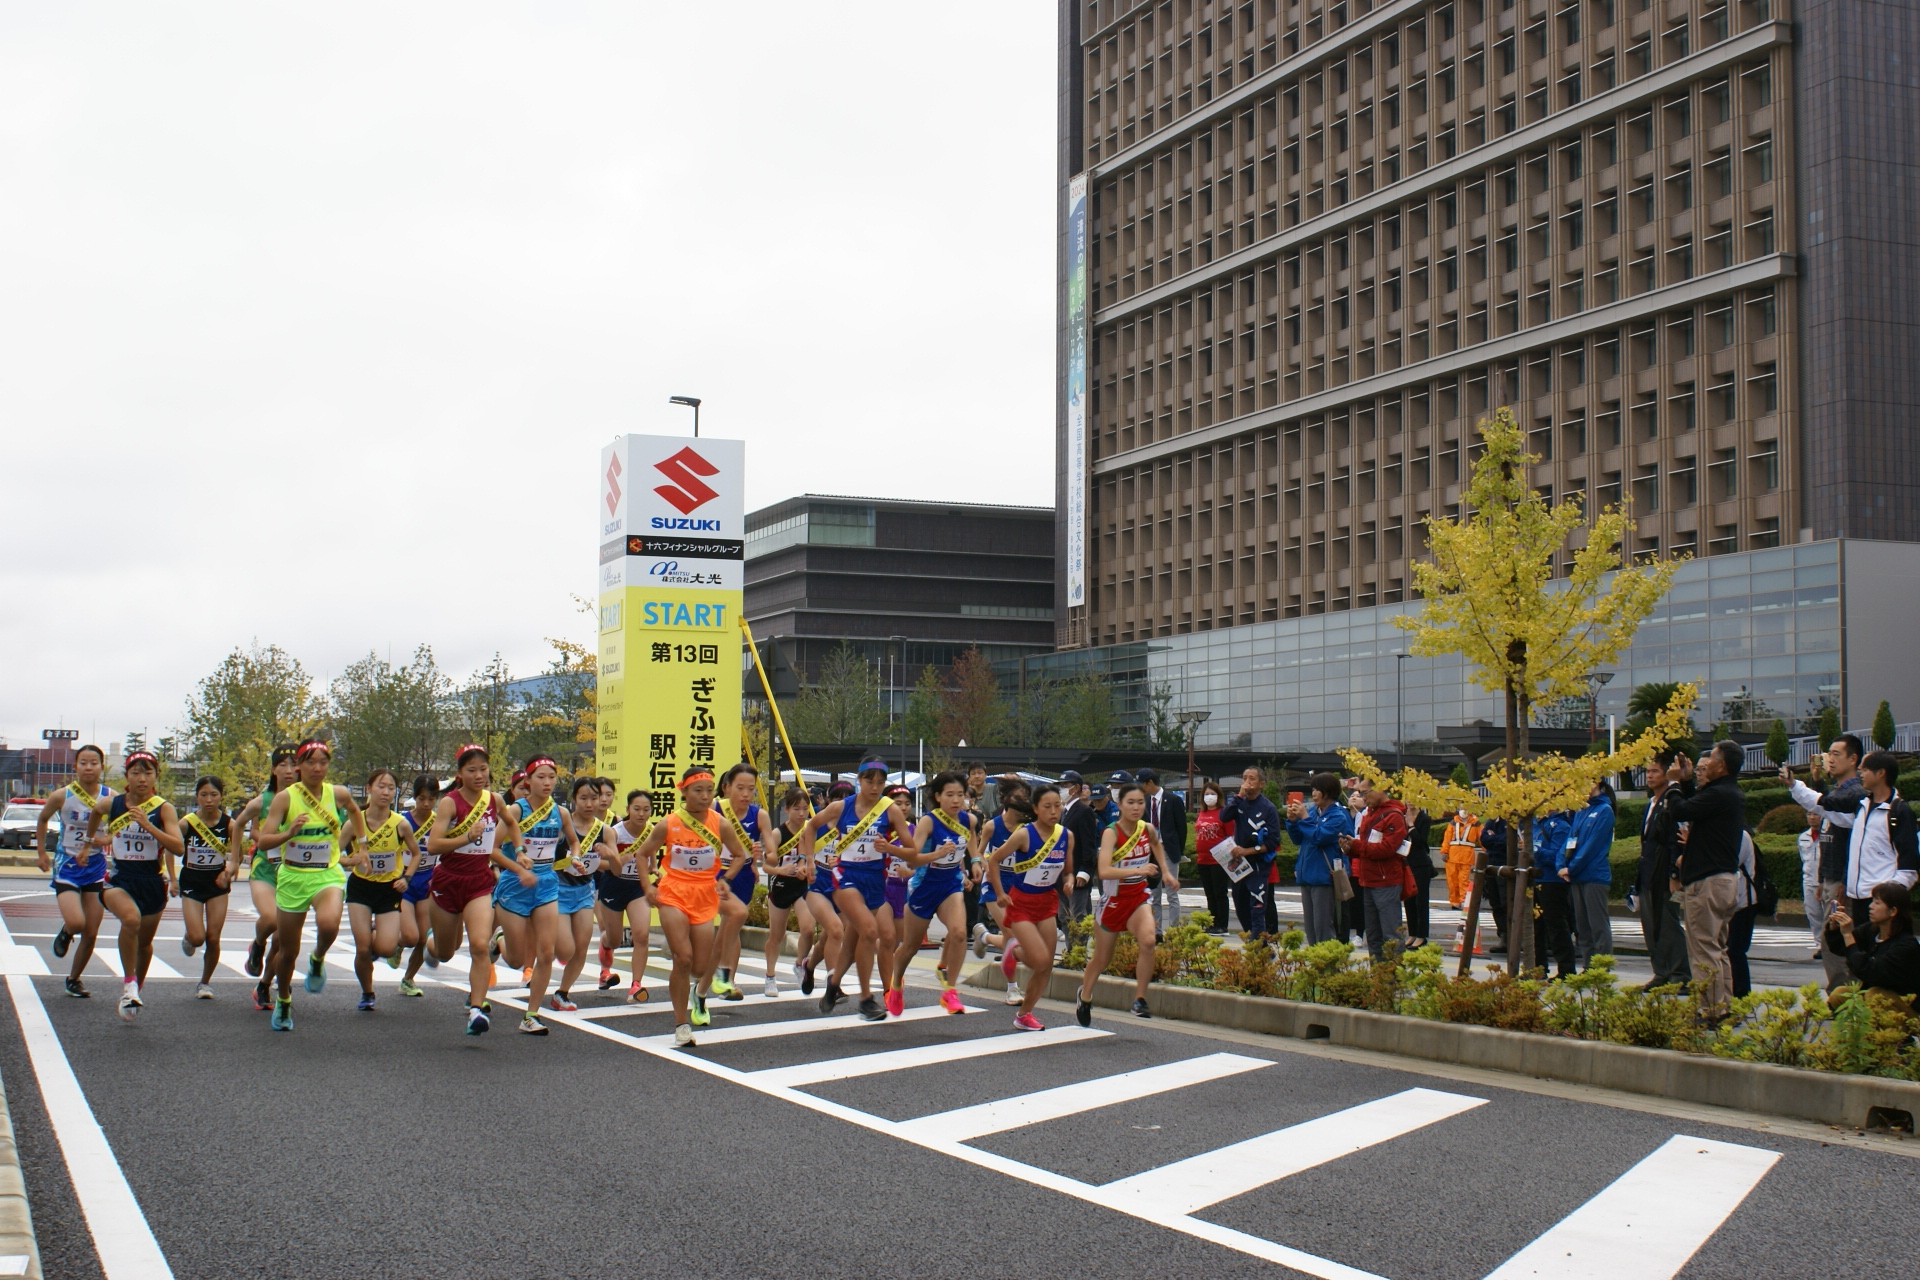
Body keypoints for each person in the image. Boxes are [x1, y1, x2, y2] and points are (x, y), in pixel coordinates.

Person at [624, 765, 754, 1048]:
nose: (705, 796)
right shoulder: (668, 823)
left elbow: (740, 856)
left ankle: (698, 988)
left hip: (705, 893)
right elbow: (642, 854)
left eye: (709, 790)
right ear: (684, 792)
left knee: (697, 966)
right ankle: (681, 1022)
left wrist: (726, 879)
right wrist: (647, 887)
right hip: (673, 892)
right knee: (682, 958)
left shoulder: (720, 823)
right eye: (698, 791)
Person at [255, 740, 367, 1032]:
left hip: (326, 874)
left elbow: (356, 812)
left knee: (329, 924)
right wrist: (289, 832)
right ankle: (283, 999)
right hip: (293, 877)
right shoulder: (286, 798)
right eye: (310, 763)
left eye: (323, 762)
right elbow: (264, 841)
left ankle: (317, 958)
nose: (317, 768)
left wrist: (363, 846)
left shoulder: (337, 793)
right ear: (299, 766)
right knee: (288, 952)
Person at [801, 758, 918, 1022]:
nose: (875, 787)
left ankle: (833, 986)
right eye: (869, 781)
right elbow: (810, 827)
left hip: (876, 881)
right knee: (870, 930)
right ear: (859, 779)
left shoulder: (890, 810)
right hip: (846, 878)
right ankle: (866, 999)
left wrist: (891, 849)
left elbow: (912, 851)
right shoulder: (842, 807)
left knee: (853, 944)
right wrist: (808, 860)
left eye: (880, 782)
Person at [425, 745, 522, 1036]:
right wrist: (467, 836)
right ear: (459, 774)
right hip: (448, 881)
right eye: (472, 770)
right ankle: (431, 943)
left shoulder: (494, 800)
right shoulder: (449, 803)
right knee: (446, 953)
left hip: (479, 881)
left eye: (483, 769)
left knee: (480, 945)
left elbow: (511, 823)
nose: (479, 775)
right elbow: (433, 846)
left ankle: (476, 1010)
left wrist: (520, 849)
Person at [81, 750, 182, 1022]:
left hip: (151, 881)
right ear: (126, 775)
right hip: (120, 879)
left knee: (145, 944)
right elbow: (95, 814)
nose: (141, 778)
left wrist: (149, 826)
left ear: (156, 776)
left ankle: (136, 987)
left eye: (148, 773)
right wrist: (91, 842)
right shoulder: (112, 804)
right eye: (135, 772)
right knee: (130, 920)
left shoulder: (164, 808)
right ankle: (128, 984)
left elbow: (178, 847)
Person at [1075, 782, 1180, 1024]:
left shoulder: (1147, 828)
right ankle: (1086, 995)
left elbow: (1156, 844)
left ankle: (1140, 999)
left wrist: (1165, 872)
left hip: (1137, 898)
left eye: (1140, 803)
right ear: (1120, 805)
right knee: (1102, 959)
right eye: (1130, 803)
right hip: (1112, 901)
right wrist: (1139, 868)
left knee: (1149, 940)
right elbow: (1103, 871)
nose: (1136, 808)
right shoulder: (1111, 832)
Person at [1787, 748, 1918, 938]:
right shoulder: (1861, 805)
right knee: (1861, 955)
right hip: (1859, 899)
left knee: (1885, 956)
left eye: (1864, 770)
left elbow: (1909, 865)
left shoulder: (1899, 812)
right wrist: (1794, 785)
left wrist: (1887, 896)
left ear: (1881, 773)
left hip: (1884, 901)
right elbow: (1826, 806)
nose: (1860, 774)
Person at [1665, 741, 1751, 1018]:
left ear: (1722, 765)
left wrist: (1674, 784)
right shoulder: (1726, 793)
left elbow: (1679, 810)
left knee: (1703, 950)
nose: (1704, 765)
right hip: (1724, 881)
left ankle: (1710, 1010)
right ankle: (1721, 1006)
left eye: (1710, 759)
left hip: (1707, 882)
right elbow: (1694, 807)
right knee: (1717, 948)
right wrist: (1688, 782)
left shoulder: (1720, 794)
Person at [1782, 734, 1867, 989]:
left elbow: (1853, 841)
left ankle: (1844, 993)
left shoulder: (1855, 793)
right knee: (1830, 938)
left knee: (1837, 939)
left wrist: (1842, 879)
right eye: (1828, 754)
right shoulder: (1840, 791)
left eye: (1836, 754)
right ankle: (1840, 991)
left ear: (1854, 759)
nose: (1830, 760)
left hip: (1842, 881)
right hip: (1830, 877)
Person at [890, 771, 977, 1016]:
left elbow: (971, 843)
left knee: (959, 933)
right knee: (910, 946)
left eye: (960, 795)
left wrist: (977, 862)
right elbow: (912, 855)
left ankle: (950, 991)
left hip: (950, 884)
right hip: (923, 886)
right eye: (950, 795)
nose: (956, 800)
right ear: (938, 797)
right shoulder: (929, 821)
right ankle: (896, 984)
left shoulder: (968, 820)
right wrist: (935, 856)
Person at [987, 783, 1073, 1030]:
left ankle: (1024, 1015)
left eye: (1058, 805)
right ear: (1035, 809)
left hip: (1047, 902)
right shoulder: (1024, 834)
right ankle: (1012, 950)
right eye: (1047, 806)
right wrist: (1001, 894)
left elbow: (1067, 870)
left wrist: (1068, 881)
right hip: (1021, 902)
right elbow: (994, 860)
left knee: (1046, 966)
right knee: (1038, 960)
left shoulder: (1066, 836)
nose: (1054, 811)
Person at [36, 744, 112, 1000]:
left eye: (94, 763)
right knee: (77, 922)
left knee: (91, 930)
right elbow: (43, 818)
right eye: (83, 763)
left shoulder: (110, 797)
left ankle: (74, 979)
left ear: (102, 767)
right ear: (75, 767)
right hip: (67, 864)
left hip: (95, 866)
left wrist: (105, 839)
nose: (88, 767)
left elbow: (121, 828)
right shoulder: (62, 795)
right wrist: (41, 852)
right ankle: (67, 932)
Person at [343, 768, 421, 1013]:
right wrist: (351, 860)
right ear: (369, 789)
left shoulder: (401, 823)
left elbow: (416, 854)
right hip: (361, 889)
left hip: (389, 889)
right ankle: (367, 992)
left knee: (386, 949)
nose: (386, 792)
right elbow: (333, 855)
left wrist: (406, 878)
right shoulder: (354, 822)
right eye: (381, 786)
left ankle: (380, 933)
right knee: (363, 947)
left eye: (391, 788)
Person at [233, 744, 299, 1009]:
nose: (289, 770)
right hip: (266, 871)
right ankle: (258, 943)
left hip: (295, 874)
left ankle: (264, 985)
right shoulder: (263, 801)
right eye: (282, 765)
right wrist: (233, 861)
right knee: (271, 919)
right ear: (273, 770)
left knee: (284, 939)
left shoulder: (309, 800)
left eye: (294, 764)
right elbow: (238, 824)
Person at [175, 775, 241, 998]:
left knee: (213, 937)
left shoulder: (230, 825)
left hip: (217, 885)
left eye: (214, 795)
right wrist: (170, 877)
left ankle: (205, 982)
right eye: (204, 795)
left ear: (221, 796)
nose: (209, 800)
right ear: (197, 797)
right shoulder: (186, 823)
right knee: (197, 938)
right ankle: (189, 936)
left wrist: (230, 870)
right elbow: (170, 846)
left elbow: (237, 854)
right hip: (192, 883)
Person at [552, 776, 614, 1010]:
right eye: (584, 798)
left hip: (585, 890)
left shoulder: (604, 830)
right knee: (564, 948)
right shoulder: (562, 826)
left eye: (594, 798)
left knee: (581, 946)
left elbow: (614, 867)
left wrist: (611, 855)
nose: (589, 804)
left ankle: (562, 993)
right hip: (557, 889)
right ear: (574, 799)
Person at [712, 765, 771, 1003]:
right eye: (740, 788)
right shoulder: (714, 809)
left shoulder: (759, 815)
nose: (746, 794)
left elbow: (772, 854)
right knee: (725, 922)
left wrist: (762, 853)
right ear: (727, 788)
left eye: (751, 789)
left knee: (732, 924)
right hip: (715, 873)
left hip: (743, 874)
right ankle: (713, 975)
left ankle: (728, 979)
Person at [969, 778, 1032, 1001]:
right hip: (994, 885)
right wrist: (982, 863)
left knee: (1011, 937)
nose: (1022, 801)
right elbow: (978, 851)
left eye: (1025, 797)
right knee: (1012, 934)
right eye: (1018, 797)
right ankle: (1012, 987)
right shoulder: (992, 826)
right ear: (1006, 799)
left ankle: (984, 937)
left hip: (1019, 886)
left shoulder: (1029, 828)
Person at [1635, 753, 1691, 989]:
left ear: (1667, 774)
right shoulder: (1652, 803)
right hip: (1648, 870)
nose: (1649, 775)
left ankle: (1679, 973)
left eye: (1655, 771)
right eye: (1647, 771)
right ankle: (1661, 971)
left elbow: (1675, 840)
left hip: (1664, 872)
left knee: (1668, 923)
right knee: (1650, 924)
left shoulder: (1672, 799)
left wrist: (1674, 874)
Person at [760, 787, 820, 999]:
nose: (802, 813)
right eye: (797, 809)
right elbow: (766, 866)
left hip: (802, 887)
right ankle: (770, 976)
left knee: (809, 929)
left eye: (805, 808)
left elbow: (811, 855)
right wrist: (780, 870)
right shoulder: (778, 834)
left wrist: (805, 865)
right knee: (776, 936)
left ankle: (799, 964)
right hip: (781, 886)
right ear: (786, 809)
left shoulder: (809, 830)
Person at [1338, 781, 1408, 960]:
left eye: (1365, 793)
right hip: (1368, 879)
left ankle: (1394, 979)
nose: (1363, 798)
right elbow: (1367, 847)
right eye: (1360, 794)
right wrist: (1350, 848)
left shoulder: (1394, 815)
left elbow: (1386, 849)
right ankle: (1378, 976)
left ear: (1381, 787)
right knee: (1373, 935)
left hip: (1386, 881)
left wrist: (1357, 846)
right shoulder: (1369, 813)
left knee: (1391, 934)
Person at [599, 790, 656, 1001]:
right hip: (613, 885)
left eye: (646, 810)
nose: (641, 814)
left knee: (641, 935)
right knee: (614, 939)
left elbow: (651, 856)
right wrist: (620, 860)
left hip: (637, 887)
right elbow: (604, 864)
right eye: (637, 809)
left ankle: (636, 985)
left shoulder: (652, 830)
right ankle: (605, 950)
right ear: (628, 810)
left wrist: (654, 869)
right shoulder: (615, 832)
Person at [1285, 774, 1353, 945]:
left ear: (1328, 792)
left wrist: (1305, 818)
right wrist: (1293, 822)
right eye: (1313, 789)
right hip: (1307, 875)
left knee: (1323, 925)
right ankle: (1315, 961)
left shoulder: (1338, 816)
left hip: (1323, 877)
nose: (1313, 793)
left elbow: (1319, 837)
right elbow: (1299, 839)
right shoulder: (1314, 813)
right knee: (1310, 927)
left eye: (1317, 790)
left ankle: (1328, 966)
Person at [1825, 881, 1920, 1003]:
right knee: (1840, 994)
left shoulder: (1906, 945)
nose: (1870, 906)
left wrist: (1848, 934)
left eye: (1877, 903)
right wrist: (1835, 928)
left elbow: (1870, 972)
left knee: (1874, 994)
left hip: (1904, 1008)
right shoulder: (1870, 931)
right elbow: (1840, 948)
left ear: (1893, 911)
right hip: (1876, 997)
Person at [1221, 767, 1283, 935]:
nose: (1247, 782)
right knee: (1240, 905)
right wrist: (1238, 796)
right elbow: (1224, 817)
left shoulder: (1268, 808)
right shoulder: (1239, 802)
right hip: (1239, 865)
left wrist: (1248, 851)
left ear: (1261, 784)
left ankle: (1259, 945)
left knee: (1257, 907)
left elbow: (1274, 841)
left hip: (1258, 865)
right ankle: (1256, 941)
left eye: (1252, 779)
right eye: (1244, 778)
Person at [397, 774, 442, 997]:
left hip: (426, 883)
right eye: (422, 798)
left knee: (424, 938)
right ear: (415, 798)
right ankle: (395, 943)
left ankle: (408, 979)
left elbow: (443, 852)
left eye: (431, 799)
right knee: (410, 936)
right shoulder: (402, 822)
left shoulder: (438, 822)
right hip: (404, 883)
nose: (426, 804)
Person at [1562, 782, 1616, 971]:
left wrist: (1572, 868)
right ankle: (1588, 966)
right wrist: (1561, 865)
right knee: (1582, 926)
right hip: (1577, 876)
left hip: (1594, 875)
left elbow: (1592, 846)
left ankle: (1603, 968)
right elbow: (1569, 841)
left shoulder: (1604, 810)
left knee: (1598, 925)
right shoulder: (1580, 811)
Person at [1135, 769, 1186, 931]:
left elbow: (1182, 828)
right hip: (1151, 851)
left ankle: (1174, 929)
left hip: (1168, 849)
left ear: (1150, 782)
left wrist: (1178, 851)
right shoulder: (1145, 801)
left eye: (1142, 784)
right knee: (1154, 893)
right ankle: (1156, 931)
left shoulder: (1173, 800)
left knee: (1171, 892)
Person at [1530, 808, 1576, 979]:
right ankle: (1538, 968)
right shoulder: (1536, 824)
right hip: (1537, 879)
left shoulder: (1561, 826)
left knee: (1556, 925)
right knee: (1537, 926)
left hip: (1553, 881)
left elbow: (1558, 856)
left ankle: (1566, 969)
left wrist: (1535, 850)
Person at [1059, 771, 1101, 927]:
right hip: (1062, 874)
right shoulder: (1063, 812)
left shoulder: (1084, 811)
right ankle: (1071, 949)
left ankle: (1079, 950)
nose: (1061, 790)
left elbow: (1088, 844)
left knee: (1078, 916)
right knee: (1064, 916)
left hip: (1078, 873)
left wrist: (1085, 871)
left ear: (1076, 788)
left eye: (1065, 786)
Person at [1191, 780, 1231, 933]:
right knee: (1209, 893)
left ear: (1218, 796)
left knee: (1220, 893)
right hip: (1203, 860)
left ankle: (1222, 925)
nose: (1209, 797)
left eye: (1212, 794)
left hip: (1219, 860)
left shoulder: (1223, 813)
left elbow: (1230, 836)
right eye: (1207, 794)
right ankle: (1212, 922)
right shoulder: (1202, 813)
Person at [1728, 829, 1762, 999]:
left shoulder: (1740, 835)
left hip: (1743, 902)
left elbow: (1729, 862)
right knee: (1728, 949)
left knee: (1736, 950)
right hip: (1728, 902)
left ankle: (1742, 993)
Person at [1403, 807, 1435, 948]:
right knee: (1409, 900)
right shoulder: (1402, 816)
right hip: (1406, 862)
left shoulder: (1424, 819)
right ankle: (1412, 933)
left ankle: (1422, 935)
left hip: (1421, 864)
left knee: (1420, 901)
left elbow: (1420, 841)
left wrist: (1411, 826)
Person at [1478, 816, 1510, 953]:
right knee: (1495, 903)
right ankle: (1503, 935)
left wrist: (1493, 839)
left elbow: (1507, 840)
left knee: (1506, 902)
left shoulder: (1511, 820)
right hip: (1491, 865)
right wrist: (1495, 839)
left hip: (1506, 865)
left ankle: (1512, 936)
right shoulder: (1491, 820)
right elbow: (1483, 839)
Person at [1798, 807, 1824, 961]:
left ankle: (1829, 946)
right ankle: (1820, 945)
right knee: (1813, 914)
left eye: (1816, 814)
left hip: (1825, 881)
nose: (1812, 817)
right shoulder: (1803, 837)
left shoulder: (1827, 835)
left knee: (1828, 914)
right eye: (1809, 814)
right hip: (1809, 880)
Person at [1441, 809, 1481, 909]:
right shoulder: (1453, 823)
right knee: (1452, 880)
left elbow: (1482, 838)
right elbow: (1447, 838)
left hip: (1466, 857)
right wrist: (1444, 851)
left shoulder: (1476, 823)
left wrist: (1488, 850)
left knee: (1463, 880)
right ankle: (1455, 902)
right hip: (1452, 856)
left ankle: (1464, 901)